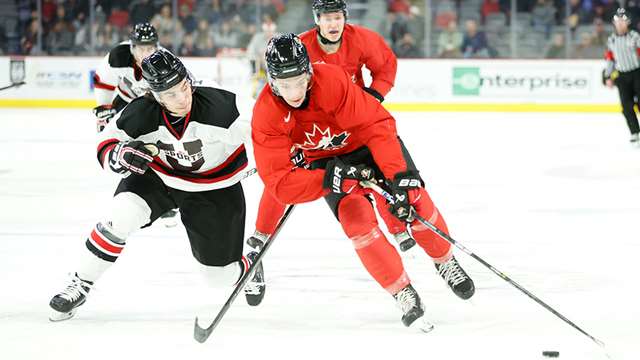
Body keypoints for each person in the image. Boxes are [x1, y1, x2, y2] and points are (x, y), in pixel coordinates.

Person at [251, 34, 475, 330]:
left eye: (299, 80)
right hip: (328, 165)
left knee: (413, 199)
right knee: (356, 222)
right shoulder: (266, 112)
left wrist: (398, 175)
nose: (293, 92)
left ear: (309, 71)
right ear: (272, 82)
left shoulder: (331, 80)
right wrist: (328, 178)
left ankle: (445, 260)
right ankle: (401, 291)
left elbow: (375, 125)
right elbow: (279, 182)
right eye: (284, 84)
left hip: (367, 146)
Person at [48, 50, 265, 322]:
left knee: (218, 276)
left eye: (184, 87)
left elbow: (268, 129)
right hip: (159, 178)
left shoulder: (222, 106)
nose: (183, 98)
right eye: (172, 94)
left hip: (214, 188)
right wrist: (119, 155)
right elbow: (106, 143)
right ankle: (81, 283)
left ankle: (250, 267)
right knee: (120, 215)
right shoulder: (142, 112)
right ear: (155, 95)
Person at [246, 0, 417, 258]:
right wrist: (299, 143)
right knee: (282, 177)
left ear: (345, 18)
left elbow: (386, 66)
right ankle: (262, 232)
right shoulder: (301, 48)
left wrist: (374, 96)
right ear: (316, 20)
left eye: (337, 17)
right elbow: (286, 101)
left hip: (348, 119)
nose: (332, 24)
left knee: (375, 168)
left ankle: (396, 225)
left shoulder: (360, 39)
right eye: (326, 18)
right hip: (306, 128)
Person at [92, 23, 179, 225]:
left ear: (157, 47)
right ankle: (130, 185)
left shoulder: (165, 61)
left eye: (150, 48)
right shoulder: (118, 56)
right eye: (141, 48)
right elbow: (102, 81)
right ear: (132, 47)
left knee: (157, 147)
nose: (146, 53)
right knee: (114, 143)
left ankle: (156, 192)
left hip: (153, 106)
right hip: (125, 102)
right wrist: (103, 109)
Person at [604, 8, 640, 146]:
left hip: (637, 73)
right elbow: (610, 59)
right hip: (622, 76)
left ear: (628, 22)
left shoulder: (635, 36)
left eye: (622, 21)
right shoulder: (611, 39)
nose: (619, 24)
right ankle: (634, 132)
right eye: (617, 21)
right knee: (626, 106)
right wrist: (608, 76)